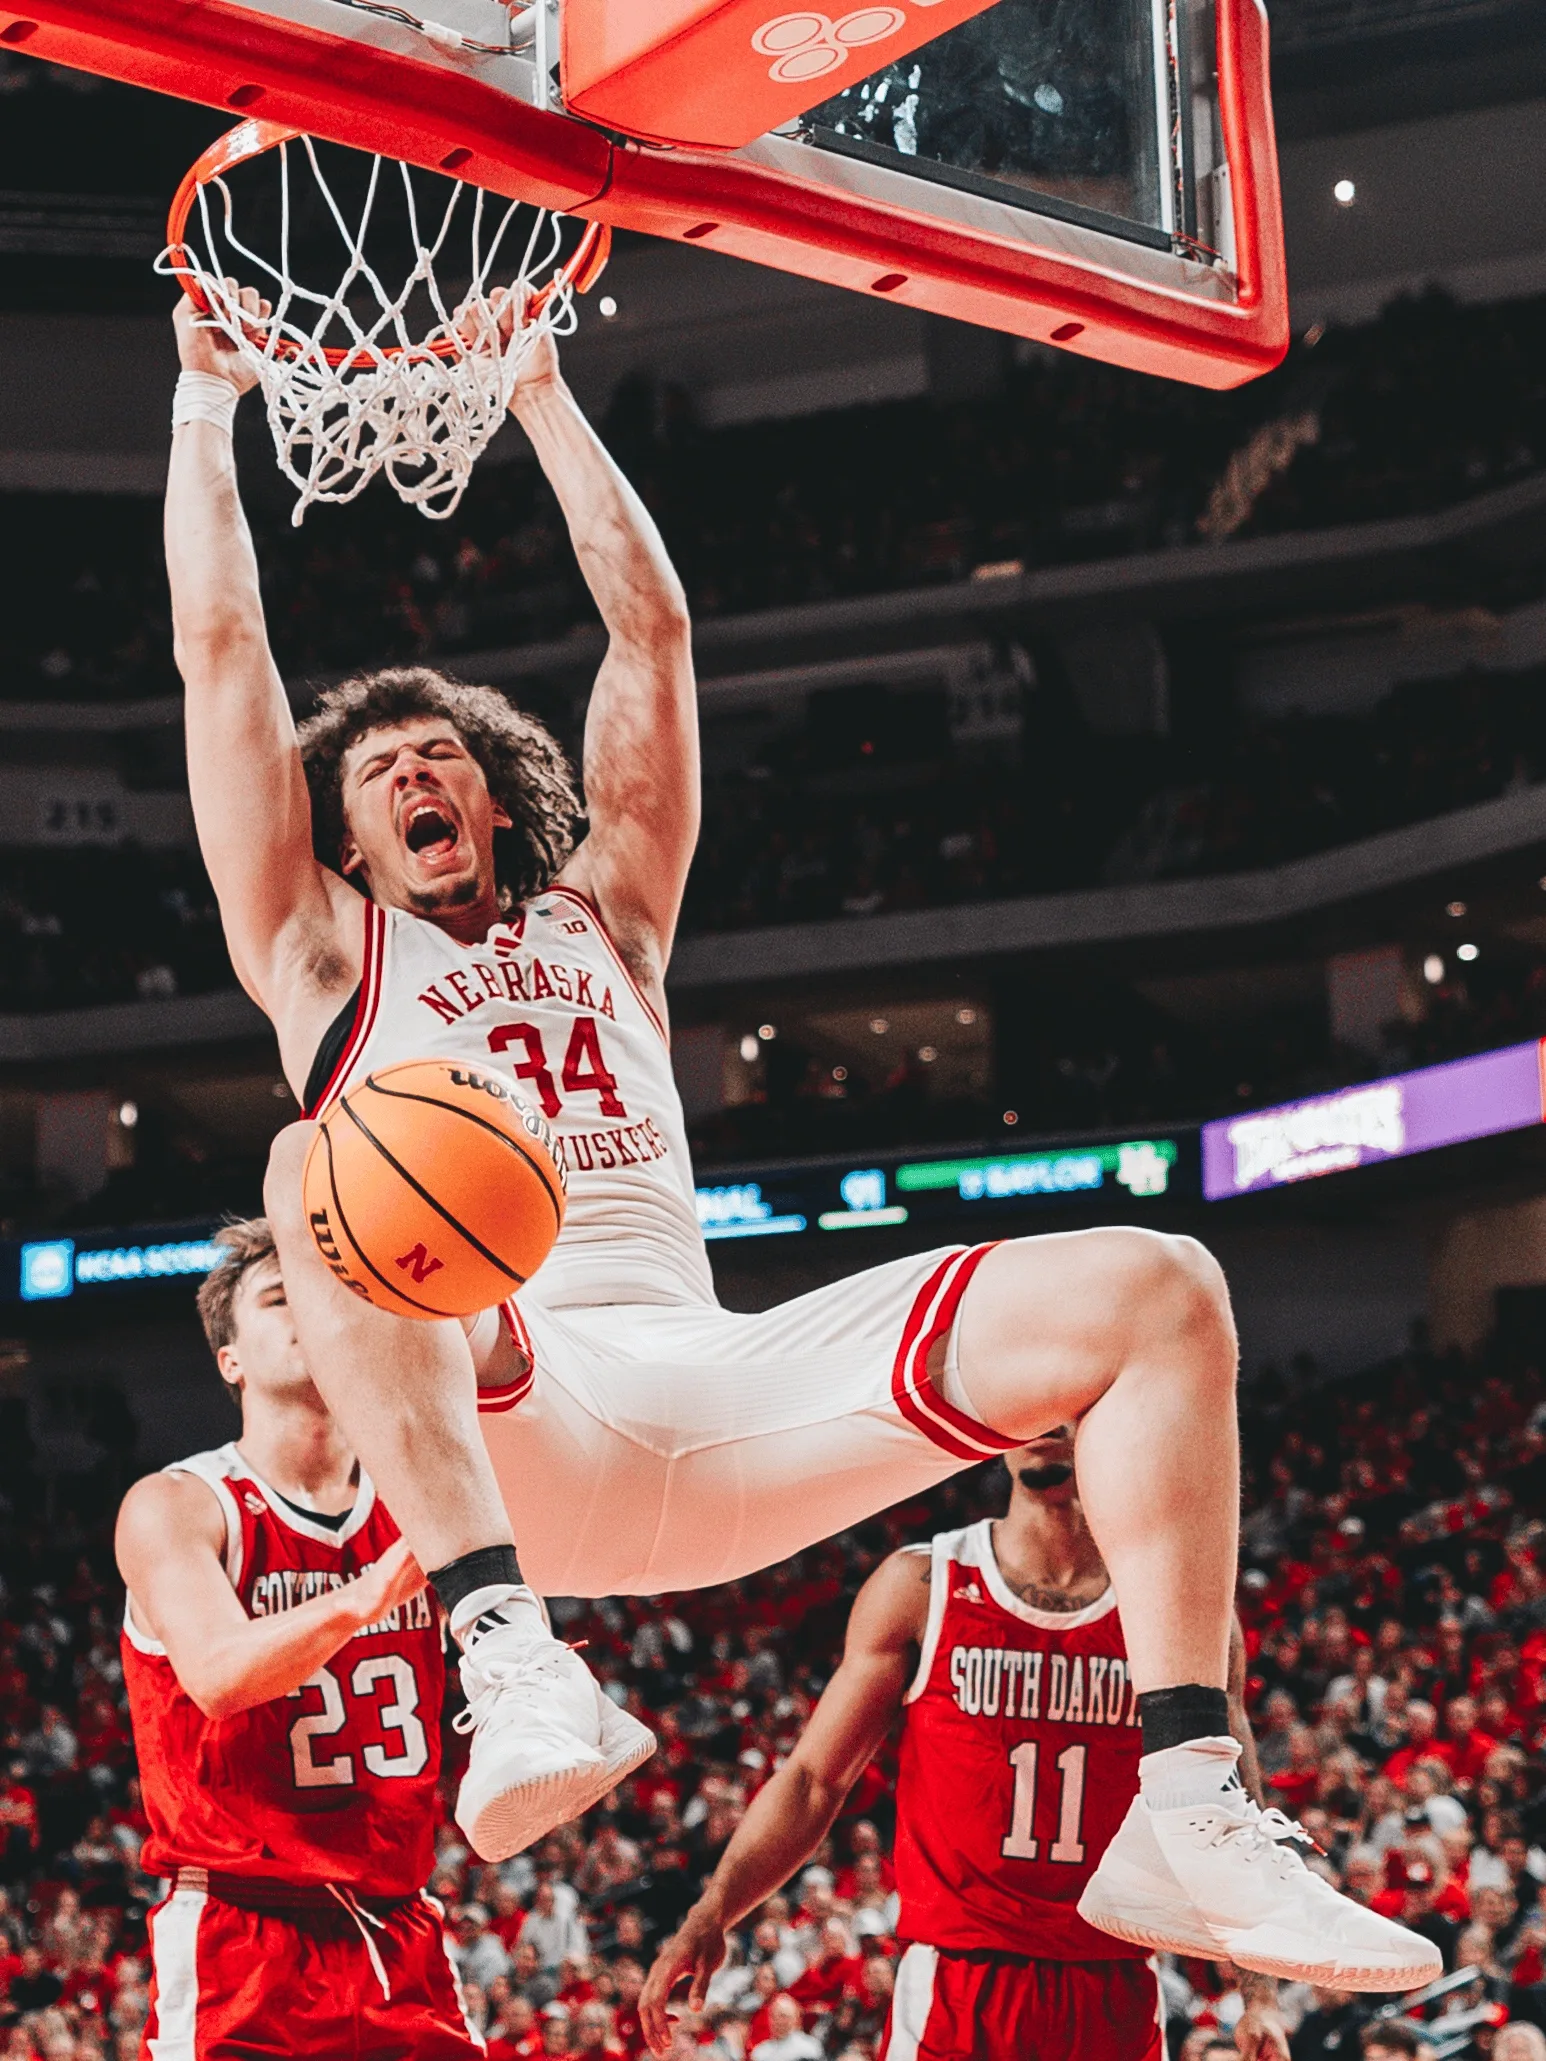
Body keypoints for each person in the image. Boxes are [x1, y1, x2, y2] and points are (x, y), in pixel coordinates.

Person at [166, 285, 1437, 1984]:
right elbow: (224, 660)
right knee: (317, 1168)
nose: (422, 768)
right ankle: (504, 1654)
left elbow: (655, 644)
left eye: (446, 749)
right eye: (385, 761)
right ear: (348, 830)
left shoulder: (611, 917)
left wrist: (541, 393)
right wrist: (200, 414)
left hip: (719, 1394)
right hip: (512, 1414)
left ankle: (1189, 1806)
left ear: (488, 789)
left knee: (1163, 1286)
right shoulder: (327, 959)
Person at [641, 1431, 1291, 2061]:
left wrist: (1258, 1993)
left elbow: (1225, 1800)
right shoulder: (923, 1584)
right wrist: (714, 1908)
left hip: (1110, 1980)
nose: (1045, 1421)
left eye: (1071, 1403)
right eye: (1031, 1400)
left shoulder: (1176, 1597)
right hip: (957, 1982)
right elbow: (815, 1779)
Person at [114, 1219, 482, 2059]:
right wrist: (371, 1590)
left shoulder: (418, 1492)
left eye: (330, 1298)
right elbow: (217, 1673)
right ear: (229, 1358)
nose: (311, 1314)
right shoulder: (178, 1505)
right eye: (282, 1298)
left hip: (400, 1928)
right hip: (243, 1936)